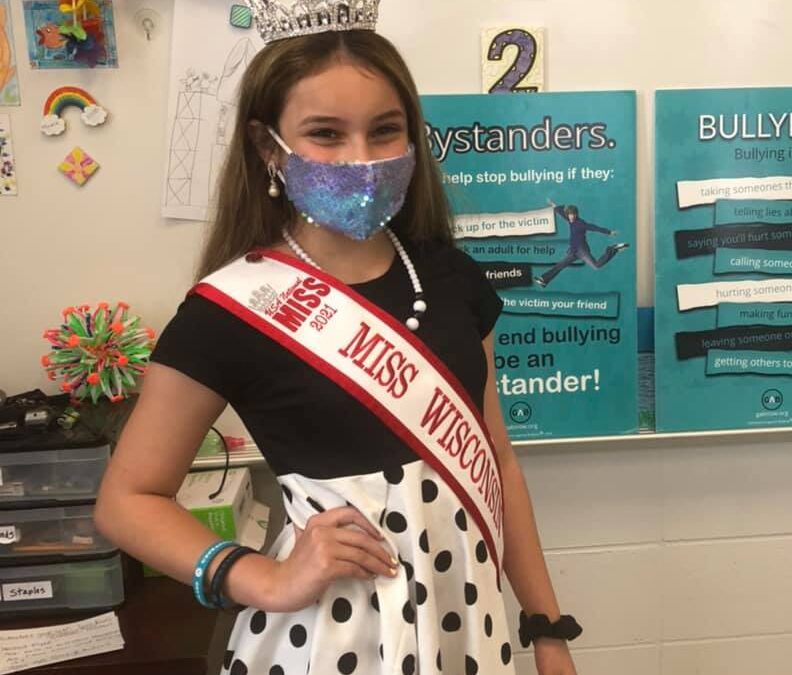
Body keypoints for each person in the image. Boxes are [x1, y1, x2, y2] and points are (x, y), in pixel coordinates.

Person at [93, 4, 580, 675]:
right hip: (324, 640)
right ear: (269, 147)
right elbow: (127, 500)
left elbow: (498, 460)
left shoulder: (452, 278)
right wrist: (259, 576)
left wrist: (547, 629)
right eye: (326, 133)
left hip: (467, 624)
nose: (363, 159)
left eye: (385, 131)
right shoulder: (231, 309)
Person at [533, 199, 629, 288]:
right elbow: (561, 213)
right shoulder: (570, 220)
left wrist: (609, 232)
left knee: (596, 266)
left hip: (582, 251)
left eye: (574, 215)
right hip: (573, 251)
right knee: (560, 265)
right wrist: (554, 205)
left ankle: (613, 249)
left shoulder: (581, 223)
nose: (572, 217)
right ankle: (544, 280)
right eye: (570, 215)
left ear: (576, 214)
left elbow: (594, 227)